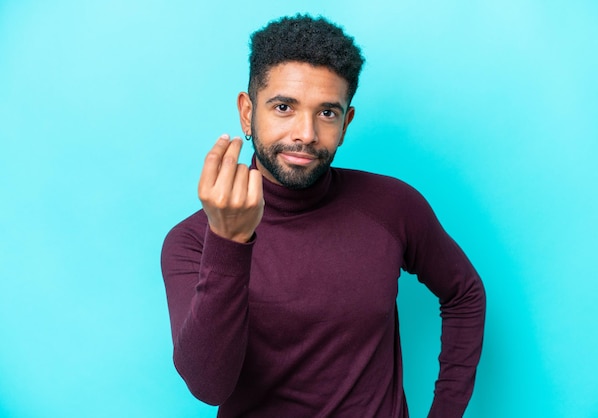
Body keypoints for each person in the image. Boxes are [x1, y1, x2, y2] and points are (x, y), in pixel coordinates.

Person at [161, 14, 486, 418]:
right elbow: (209, 386)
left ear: (346, 122)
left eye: (327, 113)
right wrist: (229, 241)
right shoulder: (191, 240)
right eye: (283, 107)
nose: (306, 134)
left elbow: (465, 294)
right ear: (247, 113)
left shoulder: (393, 205)